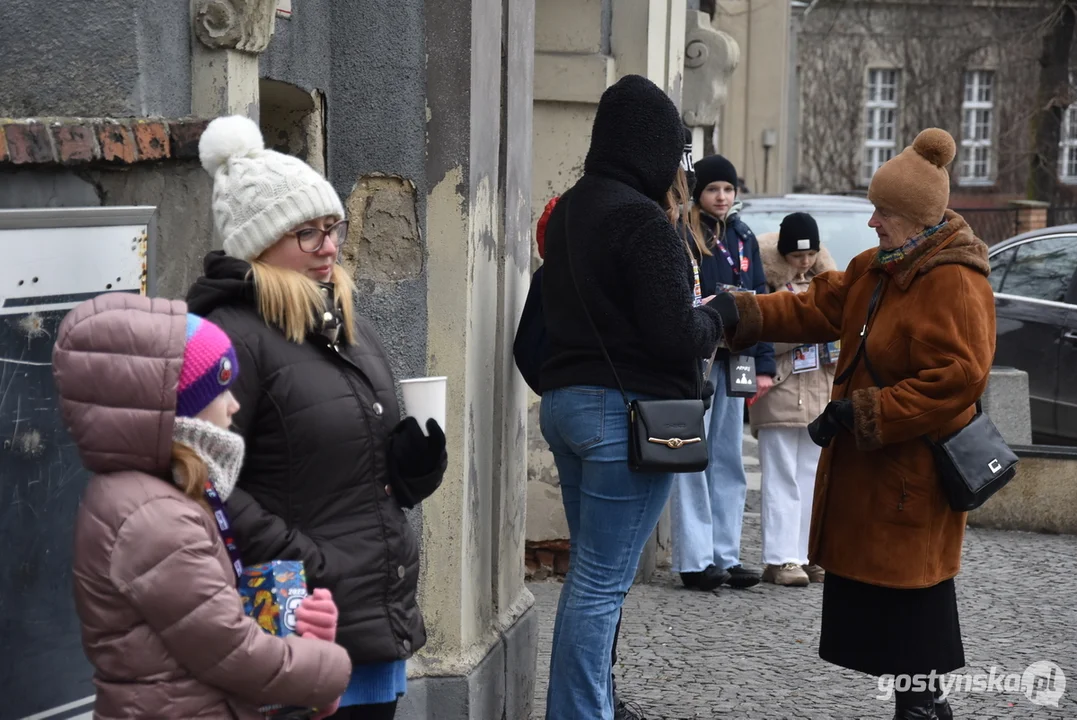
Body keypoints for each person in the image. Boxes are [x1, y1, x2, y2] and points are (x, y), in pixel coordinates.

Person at [720, 128, 993, 720]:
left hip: (913, 480)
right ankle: (920, 709)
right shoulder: (879, 266)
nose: (872, 223)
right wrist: (739, 310)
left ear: (919, 219)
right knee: (890, 618)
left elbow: (960, 378)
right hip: (874, 477)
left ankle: (922, 711)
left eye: (884, 213)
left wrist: (865, 412)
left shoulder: (954, 279)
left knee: (913, 610)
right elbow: (813, 306)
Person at [186, 115, 448, 720]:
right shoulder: (228, 336)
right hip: (297, 619)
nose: (329, 247)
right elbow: (200, 479)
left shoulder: (341, 323)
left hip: (373, 616)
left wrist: (414, 466)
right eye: (307, 233)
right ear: (260, 243)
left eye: (332, 228)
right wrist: (307, 560)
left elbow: (365, 474)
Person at [538, 74, 737, 720]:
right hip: (624, 418)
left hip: (566, 407)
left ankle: (587, 705)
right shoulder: (641, 221)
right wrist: (723, 313)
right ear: (651, 148)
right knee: (599, 584)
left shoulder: (569, 209)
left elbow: (537, 319)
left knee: (588, 578)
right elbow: (675, 333)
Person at [51, 293, 352, 718]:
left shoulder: (154, 496)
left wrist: (296, 635)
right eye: (221, 386)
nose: (234, 405)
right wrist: (328, 670)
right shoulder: (154, 518)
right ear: (178, 407)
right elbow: (232, 650)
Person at [669, 153, 776, 591]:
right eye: (714, 189)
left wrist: (765, 362)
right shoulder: (685, 234)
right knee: (694, 455)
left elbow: (762, 301)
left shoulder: (743, 235)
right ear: (699, 192)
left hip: (738, 358)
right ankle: (695, 559)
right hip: (700, 356)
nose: (722, 197)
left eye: (729, 190)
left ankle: (725, 554)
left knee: (729, 456)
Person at [749, 212, 837, 587]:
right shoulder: (766, 286)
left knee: (812, 477)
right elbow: (762, 332)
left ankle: (807, 554)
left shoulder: (827, 285)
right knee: (781, 475)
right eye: (798, 255)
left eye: (811, 254)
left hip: (819, 391)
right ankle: (782, 558)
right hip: (781, 390)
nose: (805, 262)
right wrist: (808, 330)